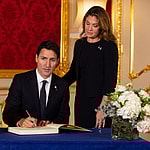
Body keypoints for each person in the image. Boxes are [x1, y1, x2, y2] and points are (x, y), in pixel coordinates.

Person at [63, 6, 118, 128]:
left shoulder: (109, 47)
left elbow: (110, 81)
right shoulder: (80, 44)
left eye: (94, 25)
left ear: (102, 27)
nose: (89, 28)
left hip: (100, 102)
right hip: (81, 101)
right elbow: (73, 72)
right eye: (87, 24)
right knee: (82, 138)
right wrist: (56, 84)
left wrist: (102, 108)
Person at [3, 40, 70, 127]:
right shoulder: (20, 80)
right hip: (24, 136)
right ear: (36, 58)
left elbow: (64, 117)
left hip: (51, 136)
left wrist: (51, 124)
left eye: (52, 60)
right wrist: (21, 122)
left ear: (57, 62)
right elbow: (8, 113)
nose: (47, 65)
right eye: (43, 59)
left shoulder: (62, 85)